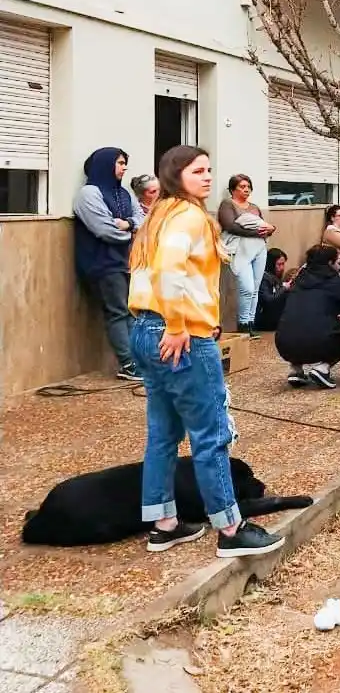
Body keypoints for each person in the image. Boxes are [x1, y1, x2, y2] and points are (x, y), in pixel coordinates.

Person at [128, 144, 284, 558]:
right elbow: (168, 272)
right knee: (211, 434)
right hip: (177, 335)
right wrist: (180, 326)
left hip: (144, 330)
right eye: (197, 171)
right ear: (175, 175)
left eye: (209, 169)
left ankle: (164, 524)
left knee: (162, 433)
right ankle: (231, 529)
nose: (207, 176)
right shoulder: (189, 217)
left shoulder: (158, 215)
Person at [73, 146, 140, 381]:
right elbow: (104, 230)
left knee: (132, 311)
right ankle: (128, 364)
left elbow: (142, 220)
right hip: (102, 263)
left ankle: (138, 360)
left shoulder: (124, 193)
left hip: (125, 262)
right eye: (120, 163)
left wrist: (129, 224)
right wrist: (131, 232)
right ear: (105, 164)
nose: (124, 168)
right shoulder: (89, 194)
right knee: (118, 312)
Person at [275, 245, 340, 389]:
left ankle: (296, 369)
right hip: (318, 345)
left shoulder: (298, 281)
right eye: (337, 261)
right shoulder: (335, 282)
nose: (339, 264)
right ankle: (322, 369)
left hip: (284, 344)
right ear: (329, 263)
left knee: (300, 325)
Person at [218, 174, 275, 337]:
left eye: (248, 186)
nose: (246, 190)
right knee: (247, 288)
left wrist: (271, 229)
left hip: (259, 249)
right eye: (242, 187)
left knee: (255, 288)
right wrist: (257, 233)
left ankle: (250, 323)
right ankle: (242, 323)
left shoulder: (255, 206)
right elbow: (230, 226)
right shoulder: (227, 204)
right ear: (232, 189)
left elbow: (265, 227)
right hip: (240, 250)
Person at [254, 248, 290, 332]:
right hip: (264, 321)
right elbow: (268, 299)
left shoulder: (275, 277)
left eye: (283, 264)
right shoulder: (264, 278)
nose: (282, 268)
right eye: (279, 264)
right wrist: (284, 288)